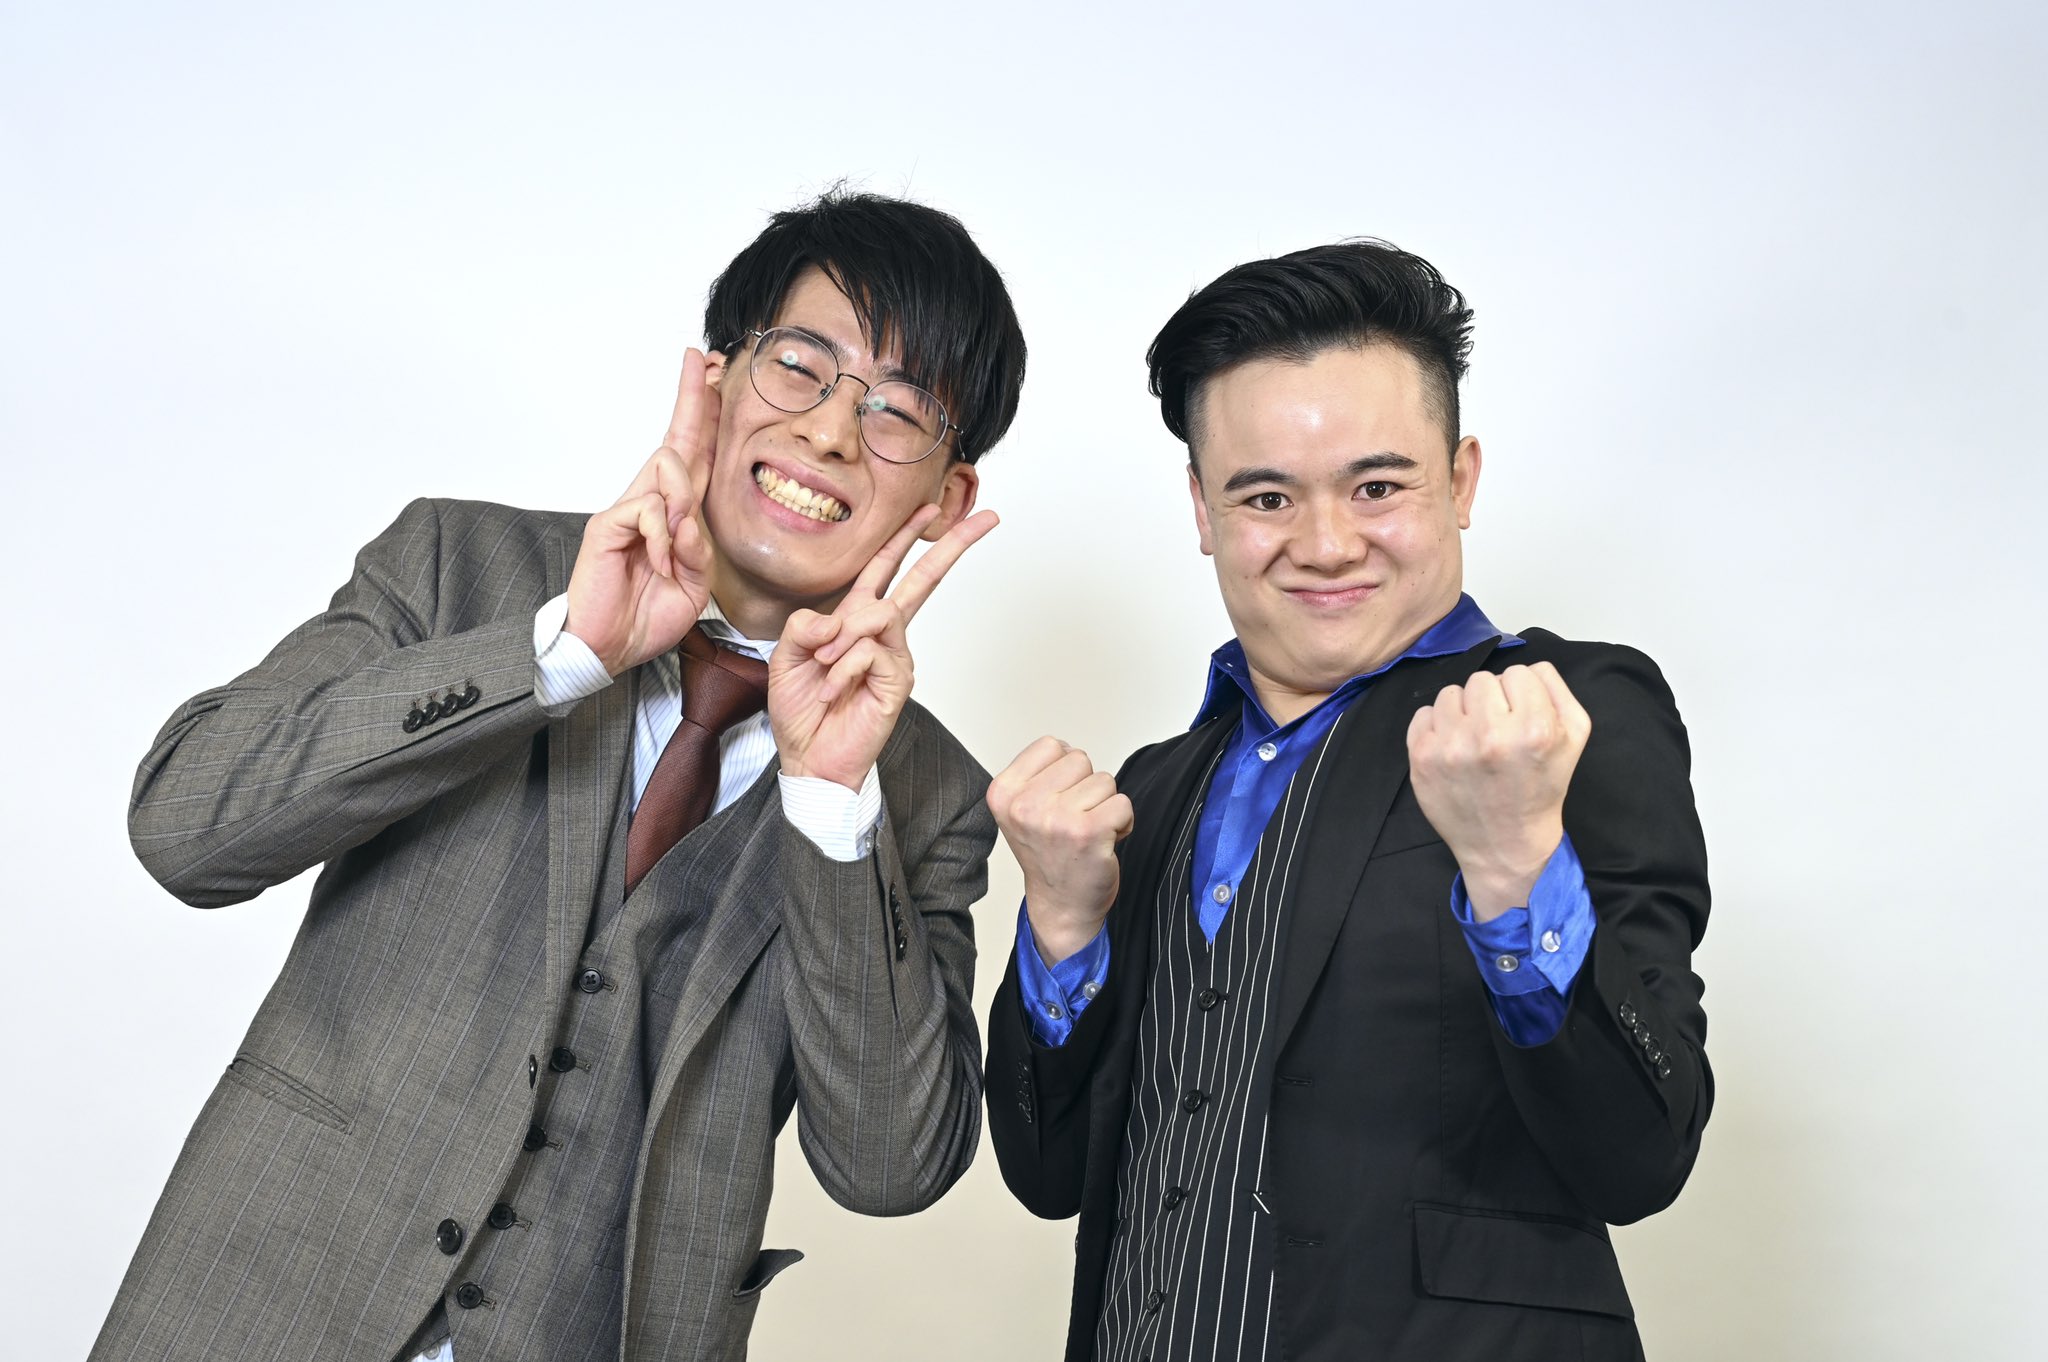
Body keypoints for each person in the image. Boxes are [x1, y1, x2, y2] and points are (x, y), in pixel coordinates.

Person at [92, 189, 1026, 1362]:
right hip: (264, 1310)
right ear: (718, 381)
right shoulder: (459, 566)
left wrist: (834, 801)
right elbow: (186, 823)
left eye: (898, 409)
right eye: (800, 365)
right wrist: (557, 656)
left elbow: (891, 1167)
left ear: (945, 500)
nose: (833, 432)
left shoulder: (926, 794)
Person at [984, 241, 1711, 1361]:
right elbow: (1047, 1177)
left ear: (1460, 481)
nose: (1326, 545)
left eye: (1377, 486)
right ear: (1202, 508)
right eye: (1266, 496)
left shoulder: (1559, 716)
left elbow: (1640, 1159)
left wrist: (1516, 870)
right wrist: (1062, 933)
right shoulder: (1150, 791)